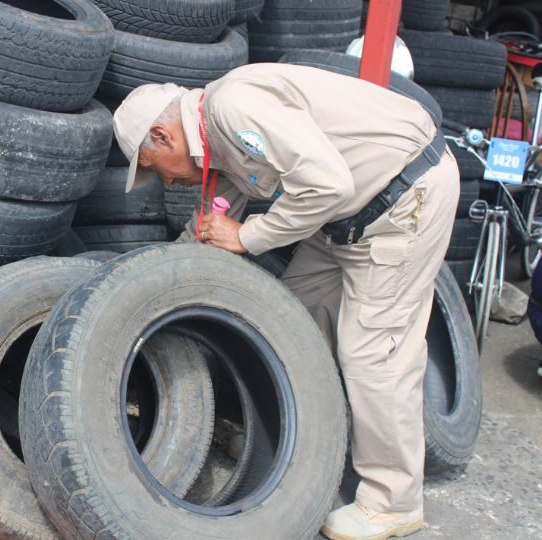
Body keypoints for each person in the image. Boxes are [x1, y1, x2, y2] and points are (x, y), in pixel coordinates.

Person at [112, 63, 459, 540]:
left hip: (403, 199)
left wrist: (249, 237)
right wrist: (158, 287)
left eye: (156, 170)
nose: (167, 184)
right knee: (291, 322)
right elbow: (213, 223)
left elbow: (327, 185)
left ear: (163, 135)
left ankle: (393, 500)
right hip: (341, 220)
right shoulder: (217, 144)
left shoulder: (234, 109)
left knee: (373, 353)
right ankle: (296, 448)